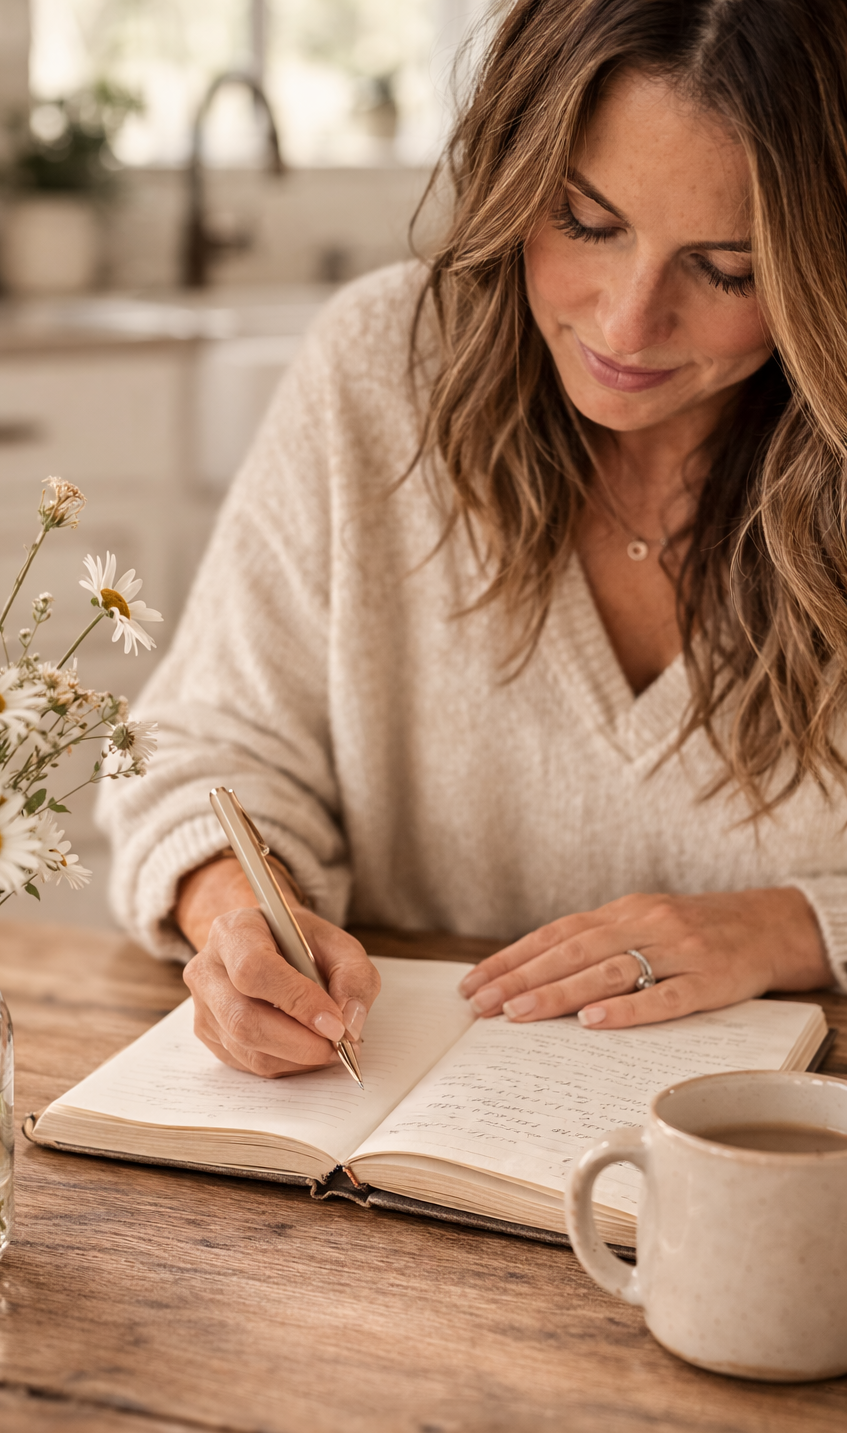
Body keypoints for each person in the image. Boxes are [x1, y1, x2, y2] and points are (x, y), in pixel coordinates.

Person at [99, 0, 847, 1078]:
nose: (627, 325)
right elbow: (206, 746)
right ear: (509, 180)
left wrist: (789, 925)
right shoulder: (380, 368)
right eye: (587, 223)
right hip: (393, 1154)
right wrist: (235, 908)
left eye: (725, 268)